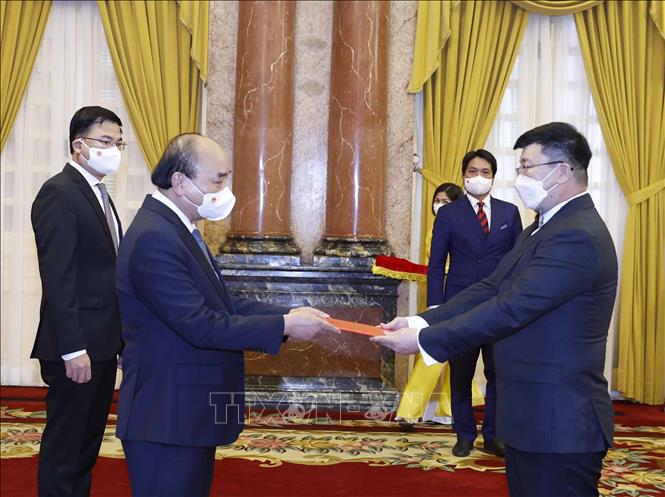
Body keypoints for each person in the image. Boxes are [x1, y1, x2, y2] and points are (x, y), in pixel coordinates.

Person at [372, 122, 617, 497]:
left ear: (562, 171)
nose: (520, 177)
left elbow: (510, 308)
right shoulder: (543, 227)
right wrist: (420, 319)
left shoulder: (576, 234)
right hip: (531, 418)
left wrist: (425, 341)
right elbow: (491, 286)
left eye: (527, 167)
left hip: (559, 422)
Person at [115, 133, 340, 497]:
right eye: (218, 180)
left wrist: (289, 314)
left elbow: (223, 304)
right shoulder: (155, 236)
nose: (225, 189)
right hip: (166, 418)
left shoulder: (177, 229)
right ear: (179, 182)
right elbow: (201, 325)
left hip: (184, 414)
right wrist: (285, 325)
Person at [31, 106, 125, 497]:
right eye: (106, 141)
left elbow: (107, 274)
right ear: (79, 146)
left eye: (119, 143)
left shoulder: (99, 194)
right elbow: (59, 279)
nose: (114, 149)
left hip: (102, 344)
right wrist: (73, 349)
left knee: (86, 448)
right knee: (66, 449)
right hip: (77, 349)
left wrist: (120, 340)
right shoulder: (59, 192)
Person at [425, 150, 522, 457]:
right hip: (460, 305)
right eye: (472, 171)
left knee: (497, 373)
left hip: (498, 305)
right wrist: (435, 306)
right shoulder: (449, 214)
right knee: (461, 373)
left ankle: (493, 435)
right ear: (463, 174)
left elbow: (518, 261)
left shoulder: (509, 213)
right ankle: (464, 434)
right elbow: (437, 264)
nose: (478, 176)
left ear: (493, 176)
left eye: (485, 171)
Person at [396, 183, 476, 429]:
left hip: (464, 295)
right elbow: (436, 266)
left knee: (456, 355)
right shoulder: (437, 226)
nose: (440, 205)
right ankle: (410, 410)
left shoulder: (469, 226)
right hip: (440, 297)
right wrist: (434, 301)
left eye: (446, 201)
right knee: (432, 352)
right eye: (437, 200)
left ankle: (448, 411)